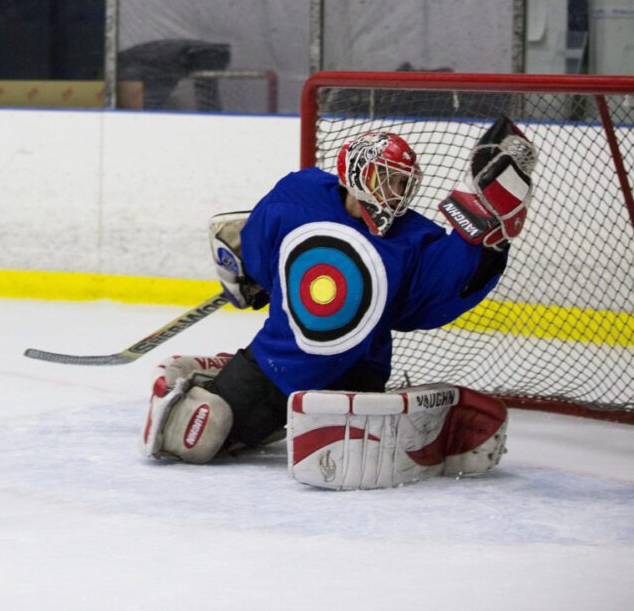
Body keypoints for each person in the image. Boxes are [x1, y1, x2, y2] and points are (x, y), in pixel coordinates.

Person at [141, 121, 536, 488]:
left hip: (358, 375)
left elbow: (439, 294)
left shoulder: (414, 239)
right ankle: (218, 378)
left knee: (339, 468)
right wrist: (259, 278)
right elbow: (261, 242)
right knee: (197, 439)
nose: (396, 192)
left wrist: (489, 232)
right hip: (276, 367)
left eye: (403, 183)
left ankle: (291, 412)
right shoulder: (300, 195)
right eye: (387, 179)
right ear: (358, 174)